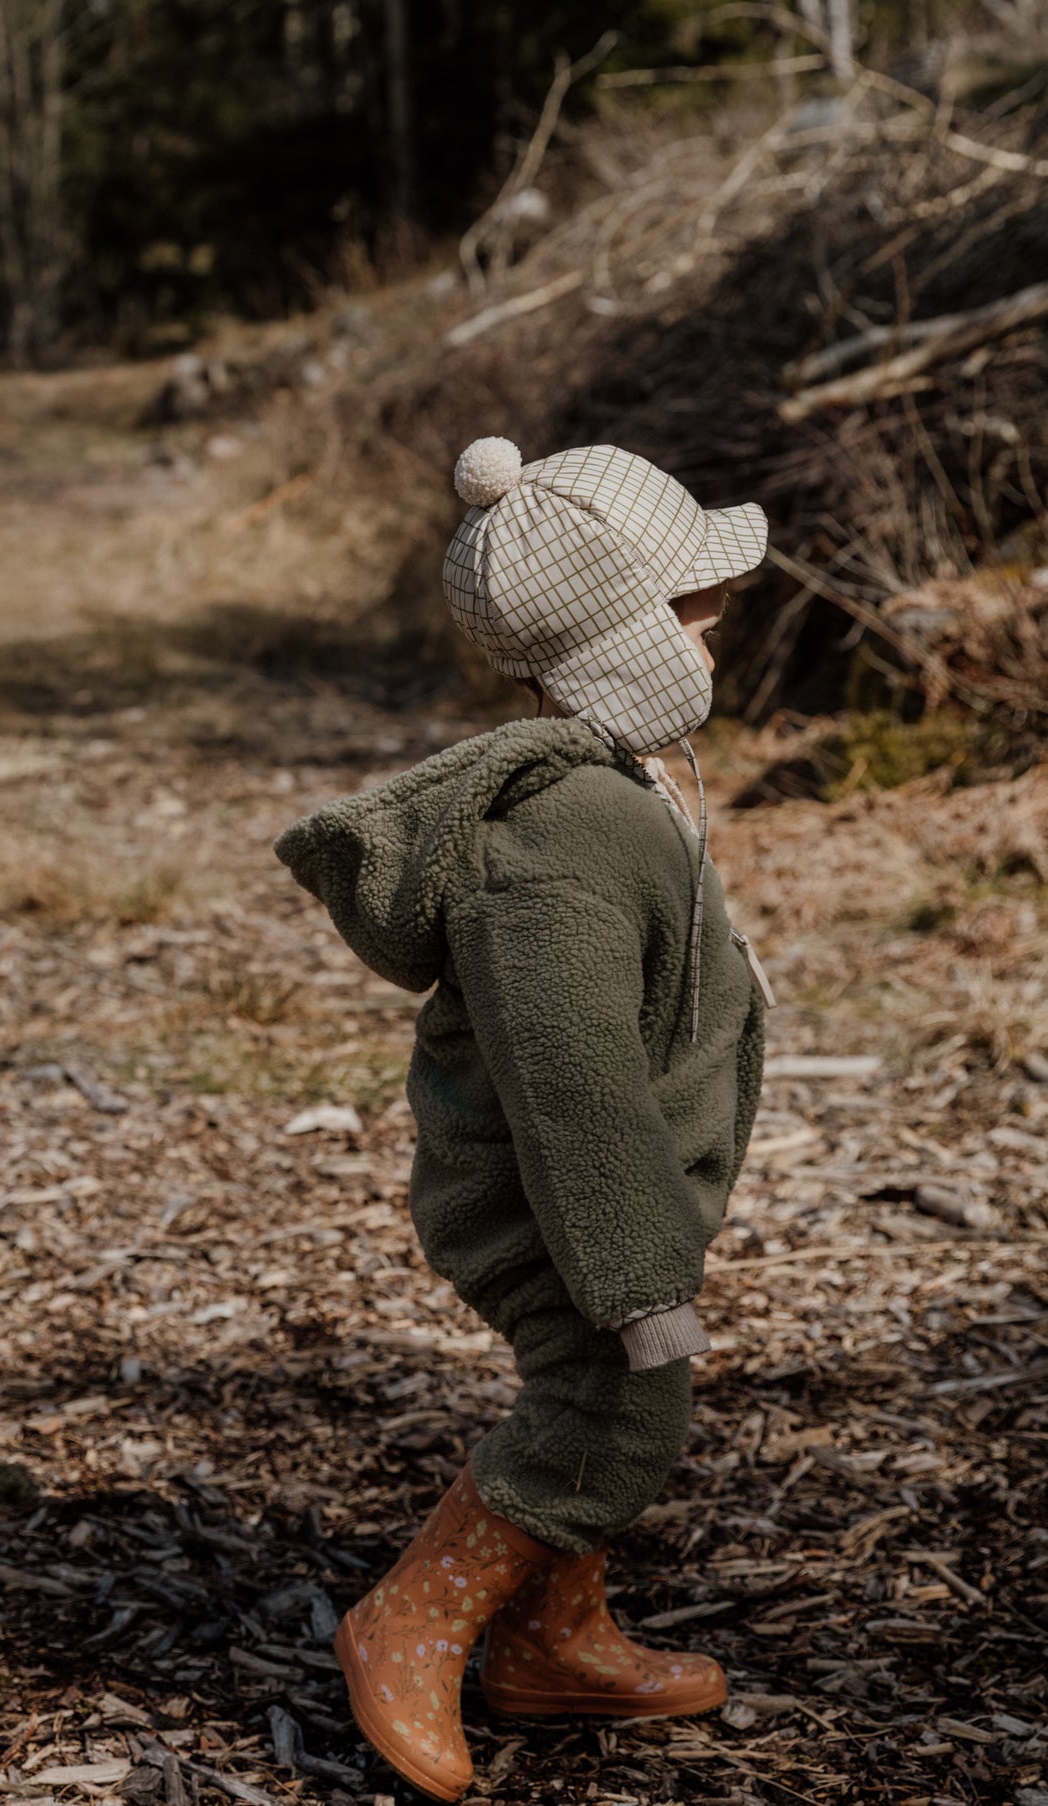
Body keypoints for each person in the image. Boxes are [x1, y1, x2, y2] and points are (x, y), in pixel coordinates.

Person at [274, 439, 774, 1802]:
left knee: (596, 1389)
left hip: (608, 1187)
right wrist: (639, 1278)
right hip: (551, 1196)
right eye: (689, 604)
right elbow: (570, 1084)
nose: (717, 616)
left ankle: (555, 1638)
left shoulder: (622, 785)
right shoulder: (554, 838)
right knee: (614, 1407)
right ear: (623, 637)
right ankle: (410, 1617)